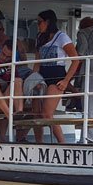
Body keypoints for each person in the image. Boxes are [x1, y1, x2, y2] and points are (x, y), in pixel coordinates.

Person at [33, 9, 81, 143]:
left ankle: (62, 143)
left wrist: (66, 81)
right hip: (42, 76)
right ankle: (39, 144)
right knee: (36, 113)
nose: (38, 25)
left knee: (47, 113)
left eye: (39, 22)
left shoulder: (62, 37)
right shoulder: (39, 38)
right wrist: (34, 78)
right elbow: (37, 61)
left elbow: (76, 59)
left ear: (47, 22)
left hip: (56, 77)